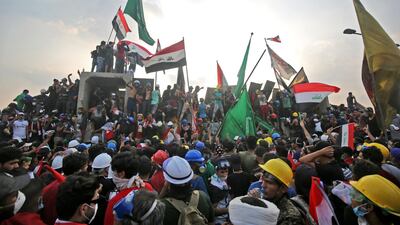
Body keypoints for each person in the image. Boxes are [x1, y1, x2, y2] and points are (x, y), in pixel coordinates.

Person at [160, 156, 215, 225]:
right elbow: (211, 221)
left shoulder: (162, 207)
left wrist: (164, 189)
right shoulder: (203, 196)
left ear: (167, 180)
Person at [103, 152, 153, 225]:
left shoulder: (115, 202)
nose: (113, 175)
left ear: (121, 174)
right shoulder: (147, 187)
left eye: (114, 172)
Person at [258, 158, 305, 225]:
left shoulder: (290, 217)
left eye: (269, 183)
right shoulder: (267, 201)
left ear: (283, 188)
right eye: (263, 180)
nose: (263, 185)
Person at [209, 159, 231, 225]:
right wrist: (229, 209)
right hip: (219, 220)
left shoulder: (219, 179)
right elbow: (213, 210)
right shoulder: (215, 186)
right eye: (222, 172)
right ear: (216, 171)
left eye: (226, 171)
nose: (225, 174)